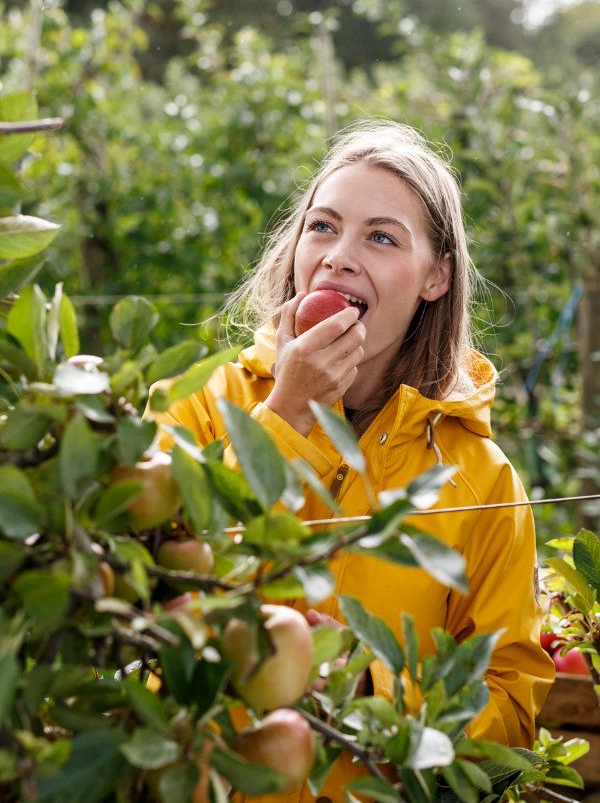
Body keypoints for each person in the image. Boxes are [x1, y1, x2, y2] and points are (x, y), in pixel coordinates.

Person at [150, 121, 555, 803]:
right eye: (323, 227)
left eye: (381, 237)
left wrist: (368, 685)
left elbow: (511, 725)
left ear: (436, 277)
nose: (337, 256)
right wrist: (286, 415)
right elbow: (149, 569)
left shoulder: (483, 480)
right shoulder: (195, 404)